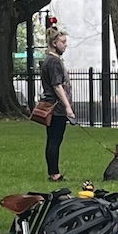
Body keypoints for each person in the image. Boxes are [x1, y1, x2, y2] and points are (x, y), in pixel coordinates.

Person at [41, 30, 75, 181]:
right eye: (63, 42)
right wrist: (67, 106)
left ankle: (53, 172)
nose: (65, 45)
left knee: (53, 139)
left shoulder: (50, 60)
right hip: (56, 108)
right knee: (55, 140)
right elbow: (57, 85)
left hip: (54, 106)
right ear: (54, 44)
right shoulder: (53, 62)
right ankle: (54, 174)